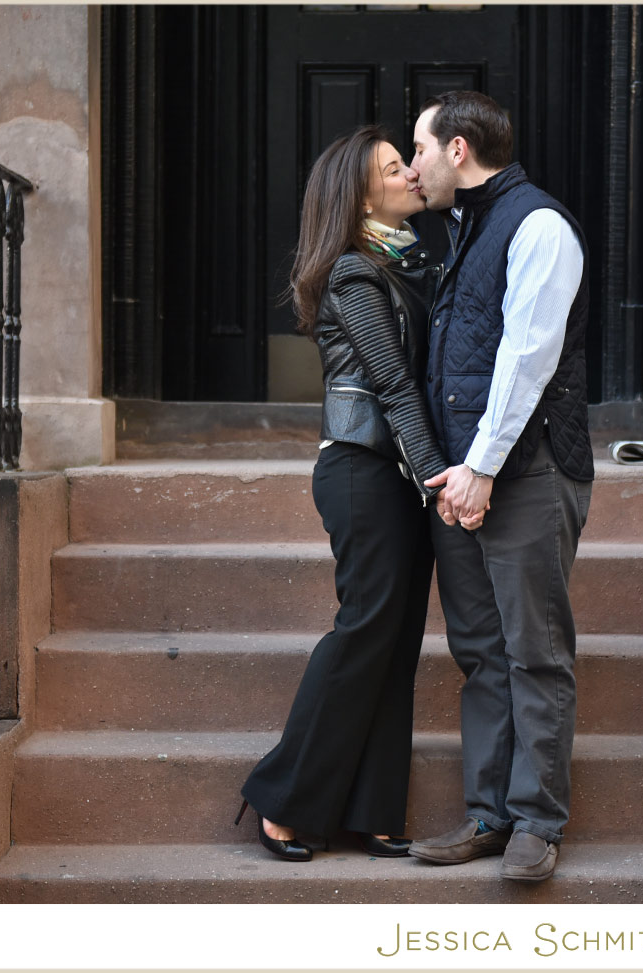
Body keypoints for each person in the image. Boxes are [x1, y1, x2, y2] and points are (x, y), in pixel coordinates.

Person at [235, 125, 448, 861]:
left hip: (398, 478)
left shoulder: (406, 264)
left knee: (394, 644)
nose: (412, 175)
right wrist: (436, 476)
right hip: (365, 471)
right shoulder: (356, 274)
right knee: (365, 631)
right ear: (361, 195)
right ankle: (281, 798)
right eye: (396, 169)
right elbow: (390, 383)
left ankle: (372, 806)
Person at [404, 90, 594, 882]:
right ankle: (489, 813)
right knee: (482, 651)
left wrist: (480, 469)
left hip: (524, 474)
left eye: (418, 149)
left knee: (534, 651)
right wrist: (453, 471)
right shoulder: (462, 228)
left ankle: (537, 823)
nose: (412, 168)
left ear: (456, 149)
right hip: (461, 480)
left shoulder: (538, 225)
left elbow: (525, 358)